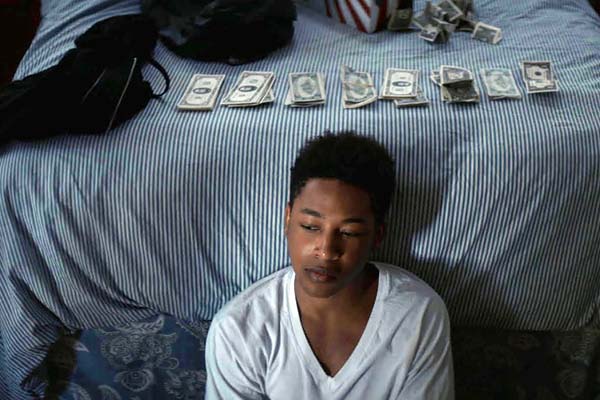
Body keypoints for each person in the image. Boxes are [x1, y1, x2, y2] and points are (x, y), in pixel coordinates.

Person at [205, 131, 454, 399]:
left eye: (349, 233)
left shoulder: (417, 316)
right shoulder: (238, 330)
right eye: (310, 227)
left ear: (377, 236)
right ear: (288, 219)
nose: (325, 251)